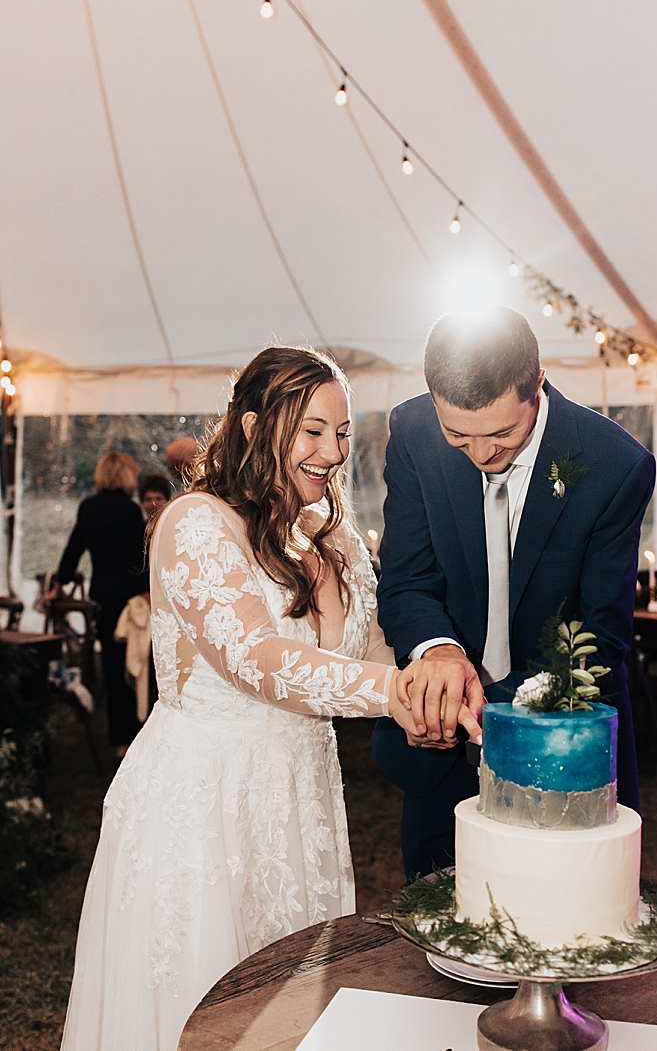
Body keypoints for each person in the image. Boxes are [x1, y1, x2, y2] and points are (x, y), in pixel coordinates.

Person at [60, 346, 478, 1051]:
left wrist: (418, 697)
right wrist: (391, 692)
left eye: (342, 432)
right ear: (255, 427)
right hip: (203, 803)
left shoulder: (335, 531)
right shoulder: (194, 524)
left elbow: (366, 649)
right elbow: (259, 660)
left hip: (300, 794)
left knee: (291, 1010)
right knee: (206, 1008)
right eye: (311, 431)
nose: (332, 451)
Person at [373, 306, 656, 878]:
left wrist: (506, 714)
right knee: (440, 928)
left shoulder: (614, 464)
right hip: (443, 737)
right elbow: (406, 579)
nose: (480, 455)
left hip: (562, 738)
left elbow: (599, 634)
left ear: (538, 385)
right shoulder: (413, 434)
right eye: (459, 435)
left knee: (564, 924)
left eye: (502, 433)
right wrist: (439, 652)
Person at [52, 452, 151, 756]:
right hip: (131, 601)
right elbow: (138, 561)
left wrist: (59, 582)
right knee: (139, 668)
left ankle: (120, 743)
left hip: (104, 600)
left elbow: (74, 549)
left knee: (112, 671)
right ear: (125, 476)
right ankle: (140, 740)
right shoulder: (130, 511)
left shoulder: (89, 508)